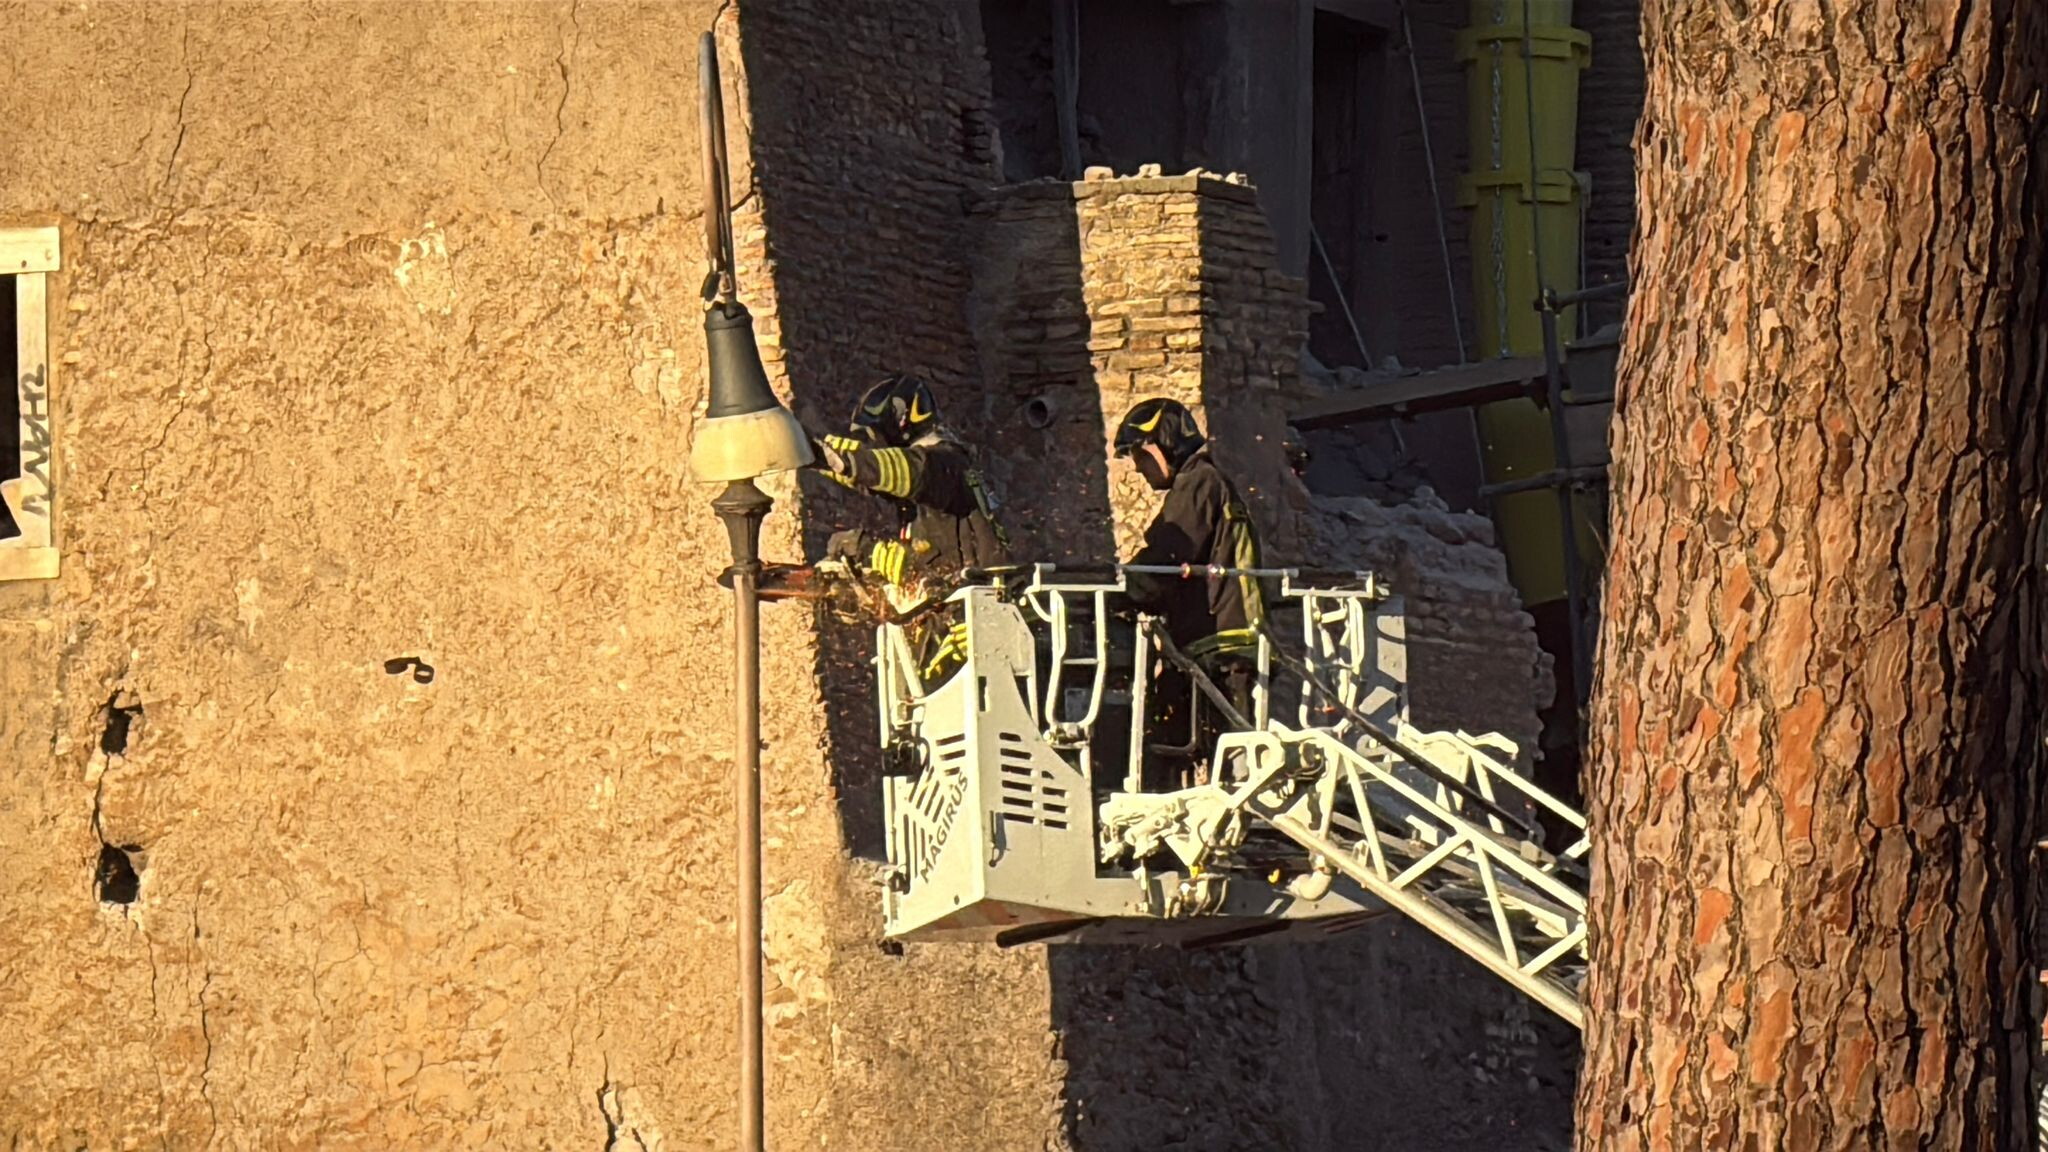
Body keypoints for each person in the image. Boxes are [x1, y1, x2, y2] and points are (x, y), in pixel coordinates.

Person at [804, 373, 1010, 683]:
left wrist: (849, 461)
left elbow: (905, 471)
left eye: (875, 441)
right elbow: (885, 484)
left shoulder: (944, 463)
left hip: (972, 626)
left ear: (898, 425)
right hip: (955, 622)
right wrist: (814, 456)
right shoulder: (942, 481)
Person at [1111, 397, 1266, 786]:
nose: (1137, 468)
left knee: (1226, 762)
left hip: (1221, 645)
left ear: (1160, 445)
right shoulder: (1203, 482)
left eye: (1138, 456)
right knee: (1188, 743)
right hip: (1212, 643)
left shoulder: (1198, 482)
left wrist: (1116, 591)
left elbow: (1167, 556)